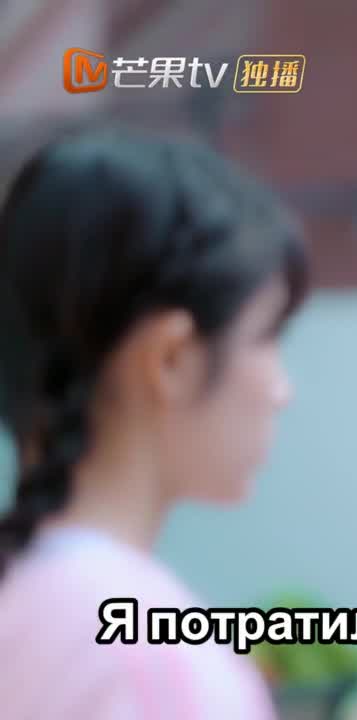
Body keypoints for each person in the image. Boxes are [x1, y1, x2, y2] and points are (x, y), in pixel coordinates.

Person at [0, 127, 309, 718]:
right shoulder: (161, 669)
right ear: (170, 360)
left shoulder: (27, 600)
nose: (282, 391)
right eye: (267, 337)